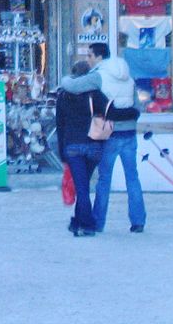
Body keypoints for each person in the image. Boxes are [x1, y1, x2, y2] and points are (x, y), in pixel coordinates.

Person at [60, 41, 146, 233]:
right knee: (132, 177)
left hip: (109, 134)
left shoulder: (99, 76)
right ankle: (138, 220)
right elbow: (137, 107)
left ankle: (98, 221)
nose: (88, 59)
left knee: (104, 179)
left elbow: (72, 86)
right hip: (130, 134)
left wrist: (64, 79)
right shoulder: (128, 76)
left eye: (89, 55)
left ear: (99, 56)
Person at [55, 60, 108, 237]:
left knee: (82, 187)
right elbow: (110, 113)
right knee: (84, 185)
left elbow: (60, 125)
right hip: (94, 145)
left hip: (72, 145)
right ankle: (79, 222)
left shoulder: (63, 95)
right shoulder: (96, 94)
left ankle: (86, 224)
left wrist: (61, 153)